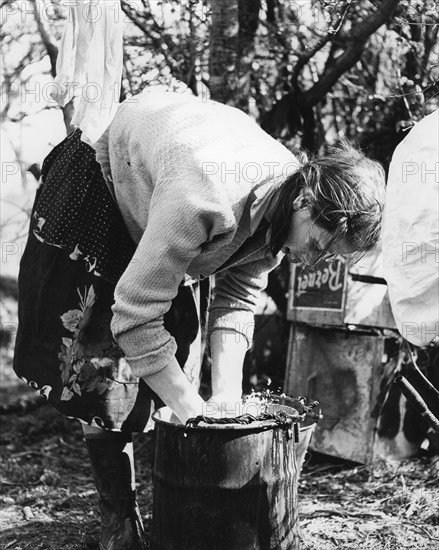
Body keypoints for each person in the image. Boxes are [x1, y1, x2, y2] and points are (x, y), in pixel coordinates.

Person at [13, 89, 385, 550]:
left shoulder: (281, 208)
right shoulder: (205, 193)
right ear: (307, 200)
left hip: (161, 190)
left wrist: (225, 403)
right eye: (322, 245)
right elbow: (134, 315)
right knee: (101, 367)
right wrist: (198, 418)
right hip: (102, 187)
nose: (314, 261)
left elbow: (239, 295)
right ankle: (119, 517)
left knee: (176, 359)